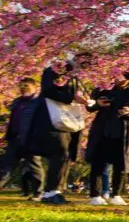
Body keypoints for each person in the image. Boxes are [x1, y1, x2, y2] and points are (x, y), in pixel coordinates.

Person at [24, 58, 90, 206]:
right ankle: (51, 191)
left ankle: (54, 191)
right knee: (60, 153)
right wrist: (71, 97)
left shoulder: (75, 77)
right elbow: (47, 90)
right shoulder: (53, 70)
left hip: (64, 121)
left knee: (64, 155)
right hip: (49, 120)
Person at [84, 73, 129, 207]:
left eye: (125, 78)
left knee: (120, 165)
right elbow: (89, 106)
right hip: (102, 131)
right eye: (118, 76)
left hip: (122, 132)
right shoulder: (102, 88)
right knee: (98, 164)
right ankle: (95, 194)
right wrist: (97, 104)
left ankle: (116, 194)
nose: (120, 80)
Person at [0, 77, 44, 198]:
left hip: (31, 139)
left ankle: (38, 193)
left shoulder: (40, 102)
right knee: (6, 165)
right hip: (15, 138)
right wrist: (7, 135)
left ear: (35, 88)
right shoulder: (17, 102)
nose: (23, 88)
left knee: (34, 166)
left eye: (27, 86)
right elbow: (13, 119)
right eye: (21, 86)